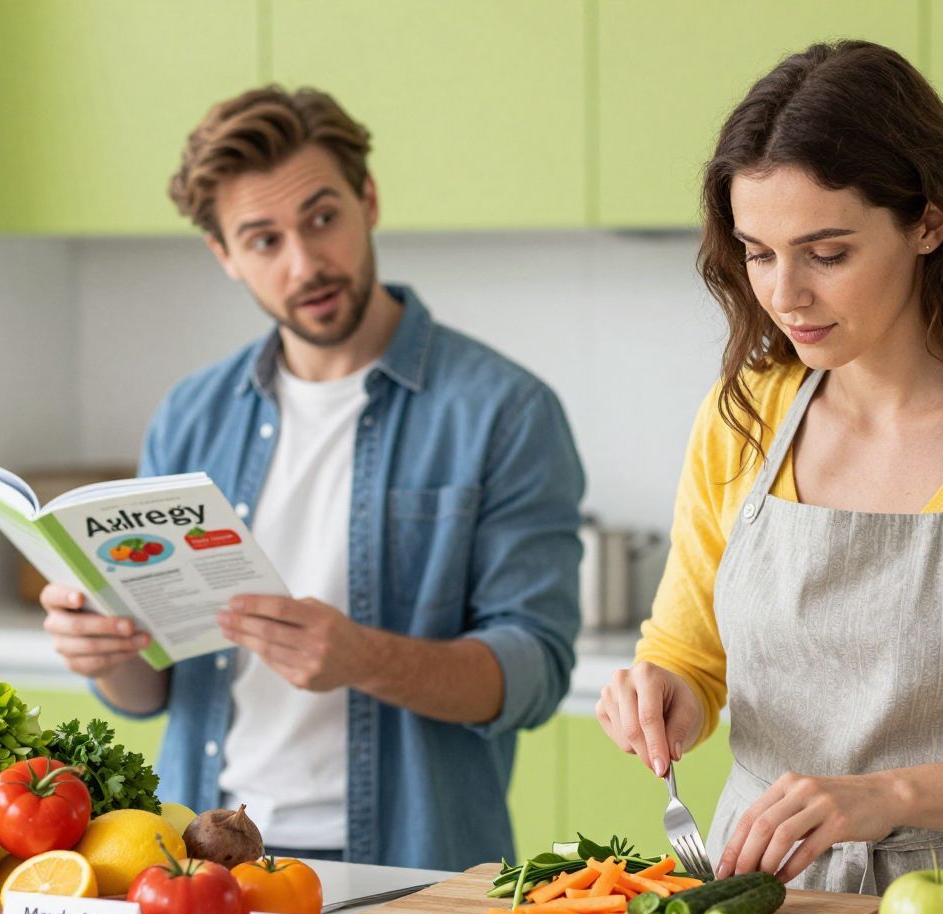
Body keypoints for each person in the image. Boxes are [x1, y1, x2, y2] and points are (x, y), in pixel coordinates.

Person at [596, 41, 943, 896]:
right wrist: (667, 693)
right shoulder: (747, 413)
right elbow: (690, 652)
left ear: (928, 224)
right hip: (755, 901)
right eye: (758, 252)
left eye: (827, 253)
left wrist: (887, 797)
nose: (785, 294)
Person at [38, 86, 584, 871]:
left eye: (322, 218)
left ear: (367, 201)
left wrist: (366, 659)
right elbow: (151, 690)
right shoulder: (191, 416)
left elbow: (535, 671)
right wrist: (105, 651)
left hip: (406, 867)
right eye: (262, 240)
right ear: (224, 255)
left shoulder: (505, 411)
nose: (305, 263)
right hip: (202, 863)